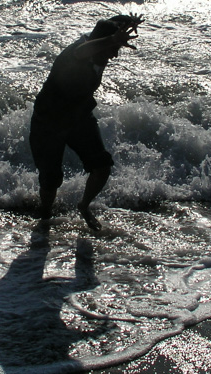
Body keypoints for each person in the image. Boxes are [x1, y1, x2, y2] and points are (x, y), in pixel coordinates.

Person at [29, 13, 144, 231]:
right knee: (50, 177)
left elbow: (106, 23)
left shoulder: (100, 45)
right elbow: (83, 51)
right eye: (112, 50)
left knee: (102, 166)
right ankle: (44, 216)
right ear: (100, 43)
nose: (114, 56)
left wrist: (127, 21)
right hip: (49, 120)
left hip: (79, 116)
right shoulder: (79, 52)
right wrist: (111, 41)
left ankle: (84, 205)